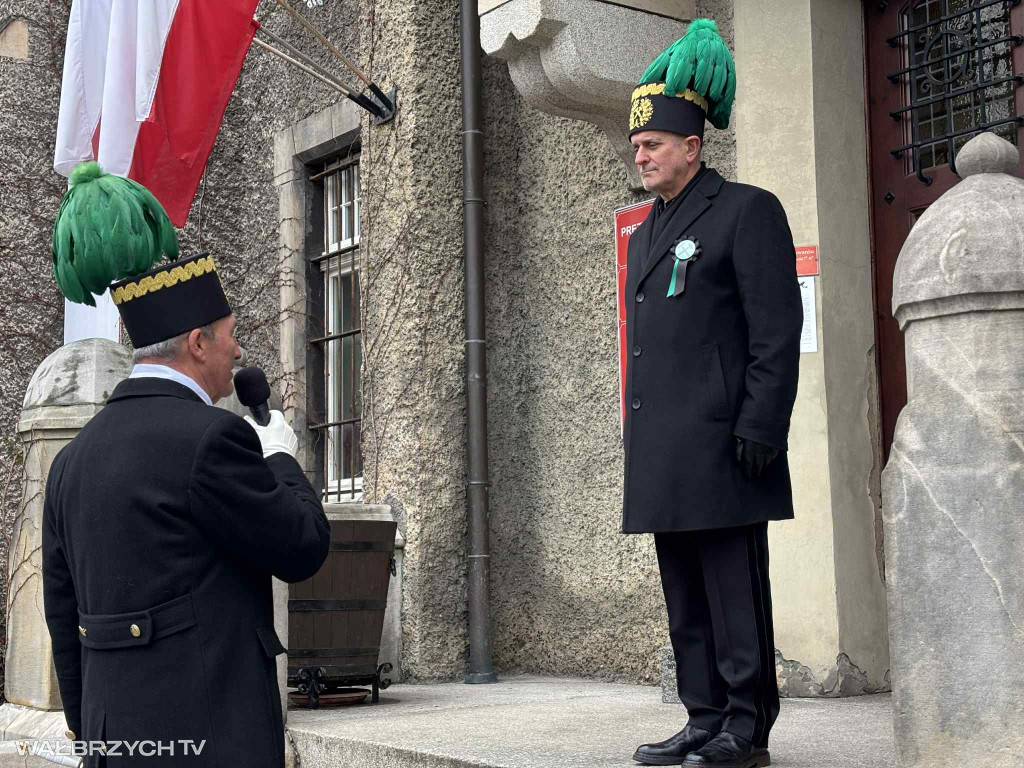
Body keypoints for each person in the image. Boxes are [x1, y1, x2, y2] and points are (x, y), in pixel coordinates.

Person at [42, 162, 330, 768]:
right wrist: (279, 457)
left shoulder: (70, 462)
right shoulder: (213, 440)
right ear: (197, 342)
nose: (238, 350)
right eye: (230, 334)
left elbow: (64, 622)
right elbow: (301, 547)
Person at [621, 20, 803, 768]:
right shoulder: (645, 230)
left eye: (652, 144)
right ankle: (702, 715)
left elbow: (775, 330)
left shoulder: (746, 211)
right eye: (637, 145)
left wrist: (763, 423)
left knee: (733, 592)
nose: (640, 154)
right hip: (666, 444)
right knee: (686, 595)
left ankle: (745, 725)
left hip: (727, 441)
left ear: (692, 147)